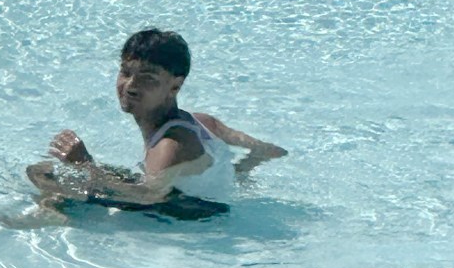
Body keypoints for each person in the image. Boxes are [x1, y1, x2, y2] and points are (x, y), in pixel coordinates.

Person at [18, 28, 287, 224]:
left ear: (175, 85)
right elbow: (268, 150)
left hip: (192, 215)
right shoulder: (202, 122)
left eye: (147, 78)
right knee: (68, 174)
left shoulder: (170, 145)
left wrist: (85, 164)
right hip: (198, 198)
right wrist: (238, 174)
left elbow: (149, 196)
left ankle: (48, 217)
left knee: (51, 181)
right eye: (125, 72)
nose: (131, 86)